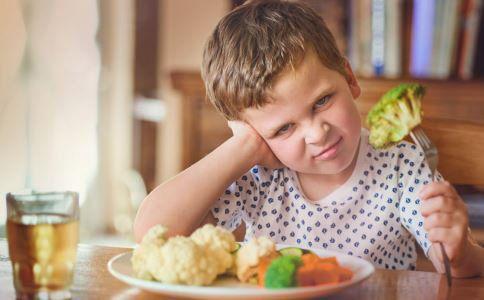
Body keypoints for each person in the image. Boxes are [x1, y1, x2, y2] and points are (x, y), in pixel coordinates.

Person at [134, 0, 483, 276]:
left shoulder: (400, 165)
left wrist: (460, 250)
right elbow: (154, 234)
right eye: (284, 128)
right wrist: (243, 148)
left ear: (348, 77)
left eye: (322, 101)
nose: (317, 133)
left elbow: (454, 265)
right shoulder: (256, 176)